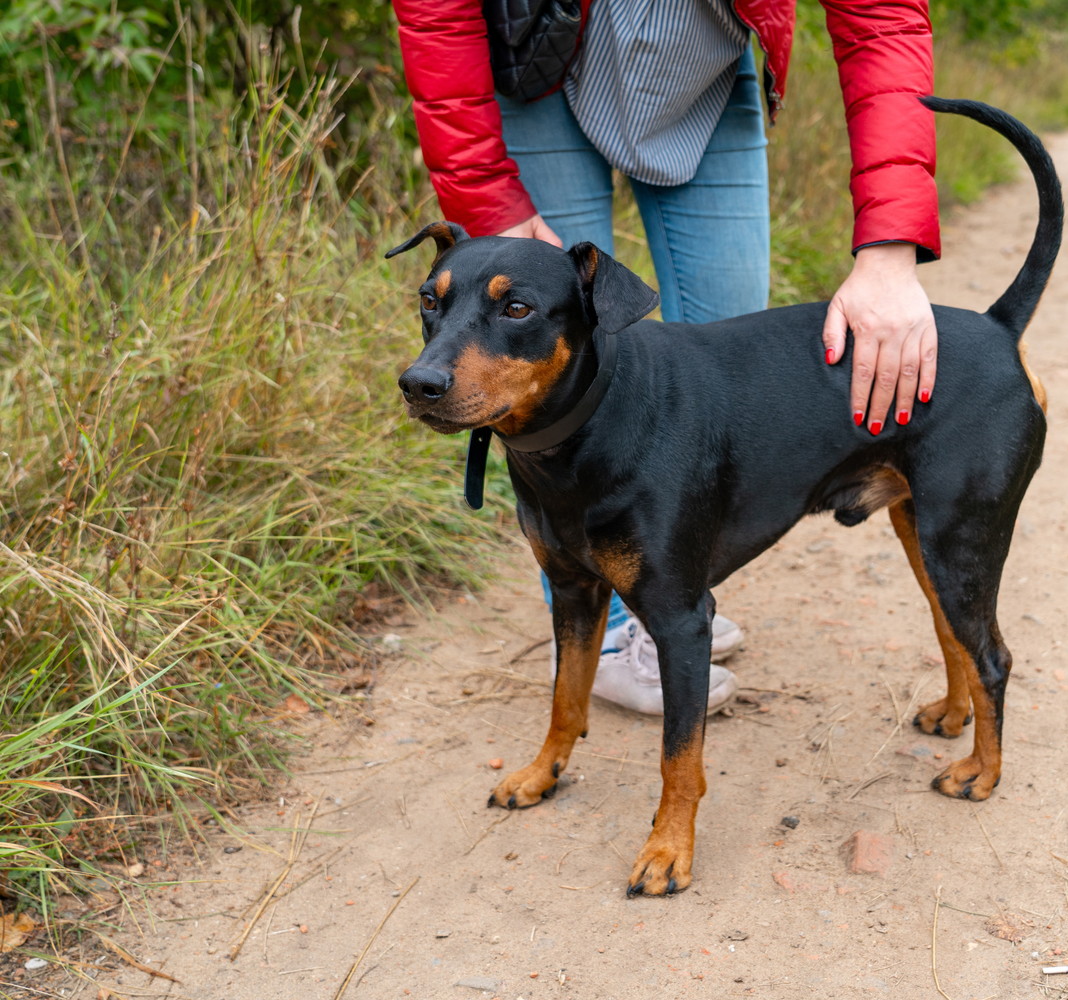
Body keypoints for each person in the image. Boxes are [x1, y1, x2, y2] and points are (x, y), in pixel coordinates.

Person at [392, 0, 941, 715]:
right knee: (552, 366)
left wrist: (891, 247)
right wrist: (487, 196)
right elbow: (437, 14)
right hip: (536, 57)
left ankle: (669, 593)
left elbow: (883, 18)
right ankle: (619, 625)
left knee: (723, 364)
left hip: (702, 69)